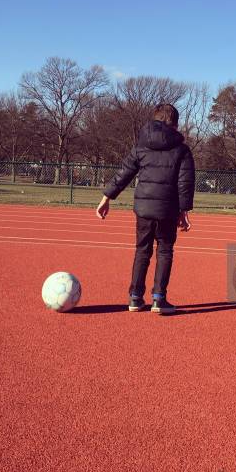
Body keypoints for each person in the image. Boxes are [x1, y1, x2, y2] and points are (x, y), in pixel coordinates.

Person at [96, 103, 195, 314]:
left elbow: (124, 172)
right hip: (168, 209)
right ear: (175, 125)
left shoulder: (142, 145)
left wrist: (107, 197)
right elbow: (185, 182)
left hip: (143, 208)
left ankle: (135, 297)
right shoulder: (182, 149)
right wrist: (184, 212)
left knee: (142, 250)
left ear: (155, 120)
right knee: (165, 251)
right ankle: (159, 299)